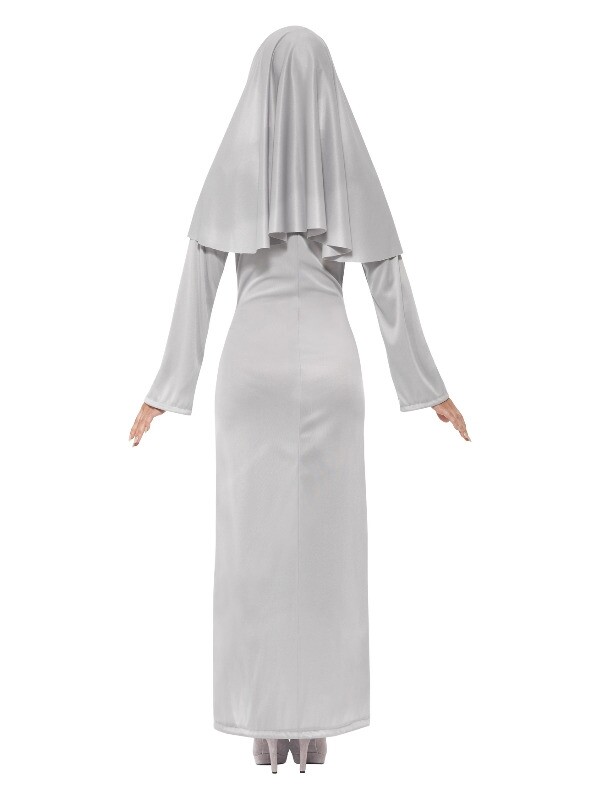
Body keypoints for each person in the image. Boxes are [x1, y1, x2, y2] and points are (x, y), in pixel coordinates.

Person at [129, 25, 470, 774]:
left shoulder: (235, 163)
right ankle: (315, 724)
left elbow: (200, 281)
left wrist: (166, 390)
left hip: (250, 371)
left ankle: (263, 724)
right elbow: (386, 277)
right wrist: (428, 386)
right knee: (327, 554)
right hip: (330, 367)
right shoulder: (347, 164)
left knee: (252, 553)